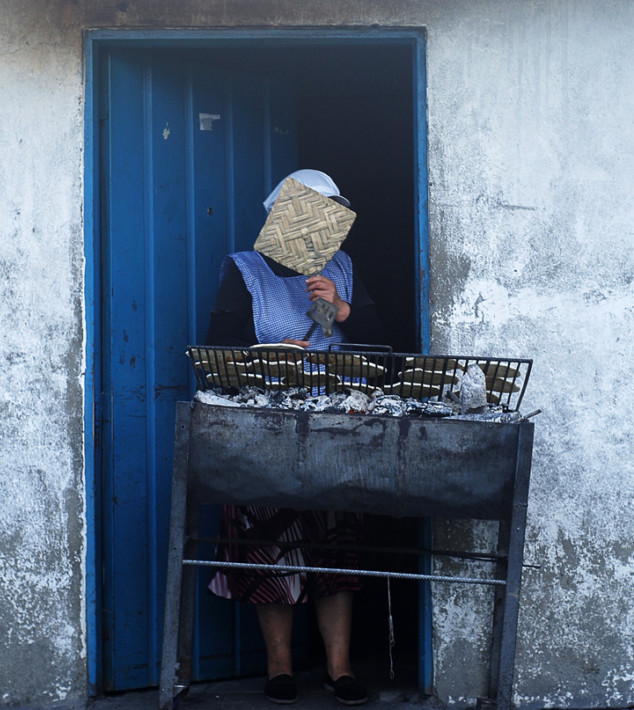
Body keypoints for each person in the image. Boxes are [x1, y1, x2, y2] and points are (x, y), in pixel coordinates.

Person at [205, 170, 384, 706]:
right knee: (270, 545)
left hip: (335, 427)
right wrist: (271, 351)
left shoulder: (341, 270)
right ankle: (279, 667)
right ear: (282, 215)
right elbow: (218, 345)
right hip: (267, 428)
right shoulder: (246, 270)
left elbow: (381, 345)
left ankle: (339, 668)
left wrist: (340, 307)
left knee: (335, 544)